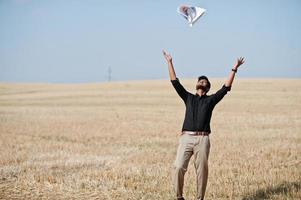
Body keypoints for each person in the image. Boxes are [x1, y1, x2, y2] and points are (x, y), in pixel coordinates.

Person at [162, 50, 245, 200]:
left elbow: (225, 88)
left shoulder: (210, 100)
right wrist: (170, 62)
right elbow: (175, 82)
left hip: (203, 140)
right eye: (200, 80)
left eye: (204, 81)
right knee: (178, 166)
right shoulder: (188, 97)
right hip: (186, 138)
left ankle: (199, 198)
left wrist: (235, 68)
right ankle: (179, 197)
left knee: (202, 171)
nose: (202, 81)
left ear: (207, 87)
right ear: (196, 85)